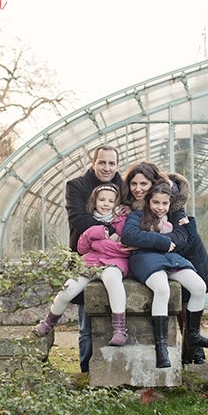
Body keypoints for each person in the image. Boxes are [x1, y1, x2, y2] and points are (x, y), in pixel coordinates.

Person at [121, 161, 208, 364]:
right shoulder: (135, 210)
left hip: (187, 255)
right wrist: (161, 242)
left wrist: (164, 242)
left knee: (192, 294)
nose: (138, 189)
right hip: (156, 259)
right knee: (166, 292)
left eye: (144, 184)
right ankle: (165, 348)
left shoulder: (172, 203)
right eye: (134, 184)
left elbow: (183, 238)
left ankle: (194, 347)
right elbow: (129, 234)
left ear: (154, 184)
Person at [35, 183, 130, 345]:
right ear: (95, 201)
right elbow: (82, 247)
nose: (106, 204)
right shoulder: (91, 221)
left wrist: (98, 244)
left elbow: (124, 248)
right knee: (68, 290)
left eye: (110, 201)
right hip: (90, 263)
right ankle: (48, 322)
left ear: (116, 203)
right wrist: (97, 233)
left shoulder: (122, 221)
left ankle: (120, 329)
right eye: (102, 200)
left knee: (114, 282)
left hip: (113, 263)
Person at [65, 145, 122, 372]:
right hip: (85, 258)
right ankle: (86, 371)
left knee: (118, 315)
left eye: (111, 163)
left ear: (117, 165)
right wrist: (111, 235)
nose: (106, 167)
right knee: (86, 323)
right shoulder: (76, 186)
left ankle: (115, 370)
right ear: (93, 162)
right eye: (102, 162)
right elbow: (78, 218)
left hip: (118, 261)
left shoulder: (125, 186)